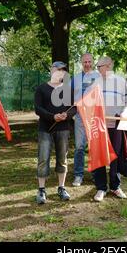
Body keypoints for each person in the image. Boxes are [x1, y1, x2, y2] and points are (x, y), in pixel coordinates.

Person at [34, 61, 76, 204]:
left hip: (63, 129)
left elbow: (74, 108)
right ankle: (41, 190)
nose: (61, 71)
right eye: (58, 69)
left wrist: (67, 115)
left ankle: (61, 188)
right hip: (45, 129)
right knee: (43, 158)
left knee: (62, 159)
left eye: (63, 69)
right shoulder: (41, 88)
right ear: (52, 70)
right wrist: (52, 117)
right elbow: (38, 109)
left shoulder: (68, 89)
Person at [93, 56, 127, 202]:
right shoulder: (95, 82)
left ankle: (115, 186)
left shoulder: (121, 82)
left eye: (99, 66)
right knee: (100, 155)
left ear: (108, 65)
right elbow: (89, 101)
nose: (98, 69)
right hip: (100, 125)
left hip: (116, 125)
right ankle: (101, 188)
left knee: (115, 155)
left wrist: (124, 112)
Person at [71, 53, 100, 187]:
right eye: (85, 62)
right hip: (79, 117)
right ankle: (78, 175)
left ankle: (96, 175)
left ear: (92, 62)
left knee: (94, 146)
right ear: (81, 63)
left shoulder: (98, 77)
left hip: (94, 116)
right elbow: (69, 96)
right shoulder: (75, 78)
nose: (87, 64)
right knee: (79, 147)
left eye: (89, 62)